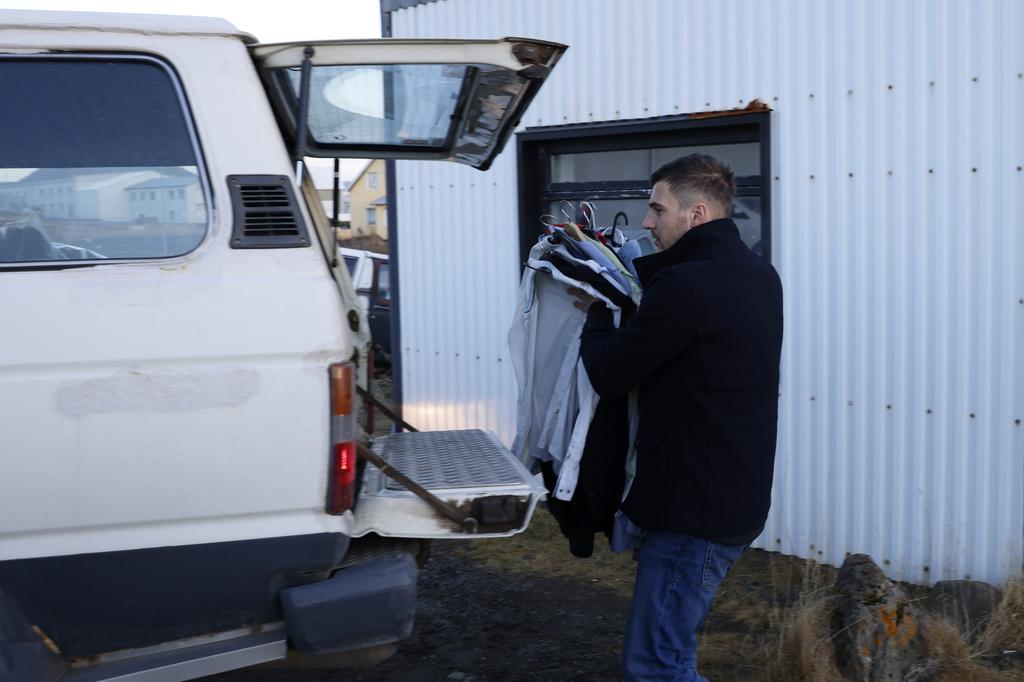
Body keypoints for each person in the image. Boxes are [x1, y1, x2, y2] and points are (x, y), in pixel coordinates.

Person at [572, 154, 783, 681]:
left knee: (655, 666)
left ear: (697, 214)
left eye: (657, 209)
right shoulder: (761, 275)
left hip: (692, 514)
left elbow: (609, 372)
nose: (647, 222)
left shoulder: (685, 286)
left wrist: (596, 311)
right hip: (733, 501)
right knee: (673, 653)